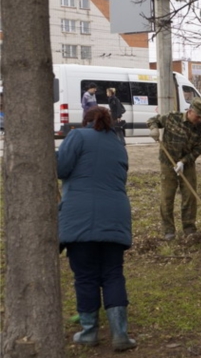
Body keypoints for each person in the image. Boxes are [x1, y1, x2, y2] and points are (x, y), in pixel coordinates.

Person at [57, 107, 137, 351]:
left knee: (86, 276)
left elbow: (61, 170)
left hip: (80, 217)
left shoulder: (77, 136)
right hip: (115, 215)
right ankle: (120, 333)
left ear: (86, 121)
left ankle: (90, 332)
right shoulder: (118, 144)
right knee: (113, 273)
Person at [147, 98, 201, 240]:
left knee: (189, 196)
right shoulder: (171, 118)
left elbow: (198, 149)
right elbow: (152, 120)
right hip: (167, 162)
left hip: (187, 164)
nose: (200, 119)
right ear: (190, 111)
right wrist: (154, 129)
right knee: (167, 196)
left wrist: (183, 161)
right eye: (198, 115)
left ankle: (189, 229)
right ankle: (168, 230)